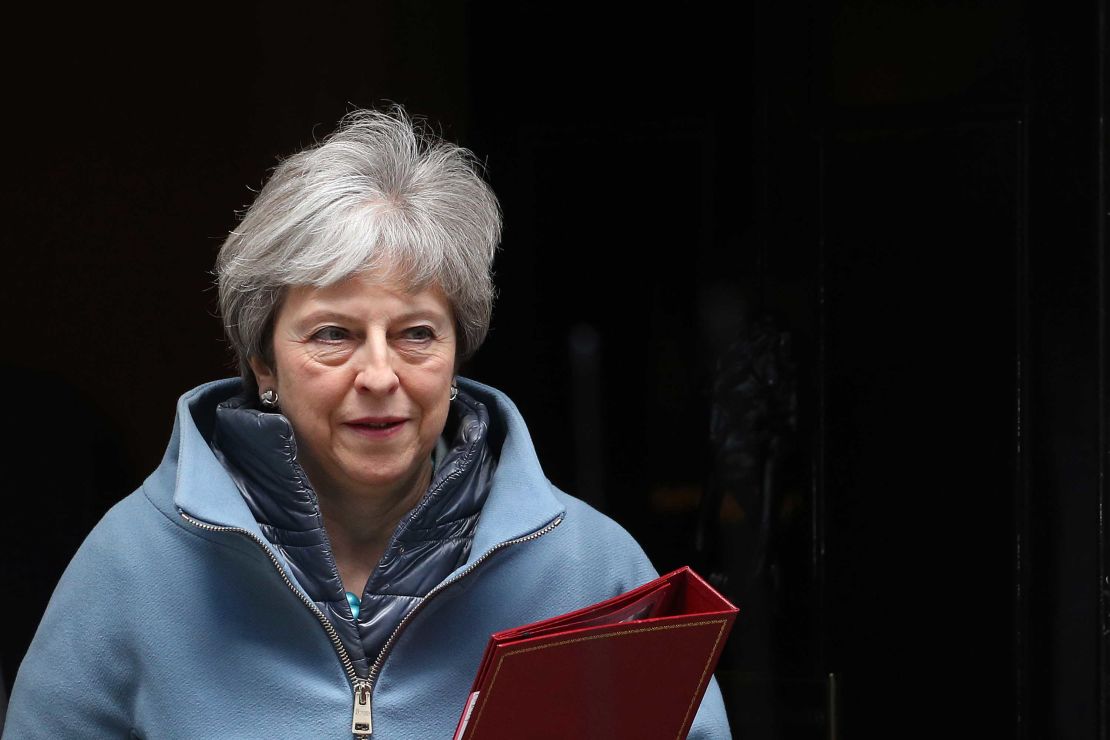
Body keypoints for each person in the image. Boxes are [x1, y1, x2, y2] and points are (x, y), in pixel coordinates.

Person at [3, 107, 732, 738]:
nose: (379, 375)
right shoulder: (134, 563)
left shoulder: (590, 570)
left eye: (417, 333)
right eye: (332, 335)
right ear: (263, 362)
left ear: (456, 352)